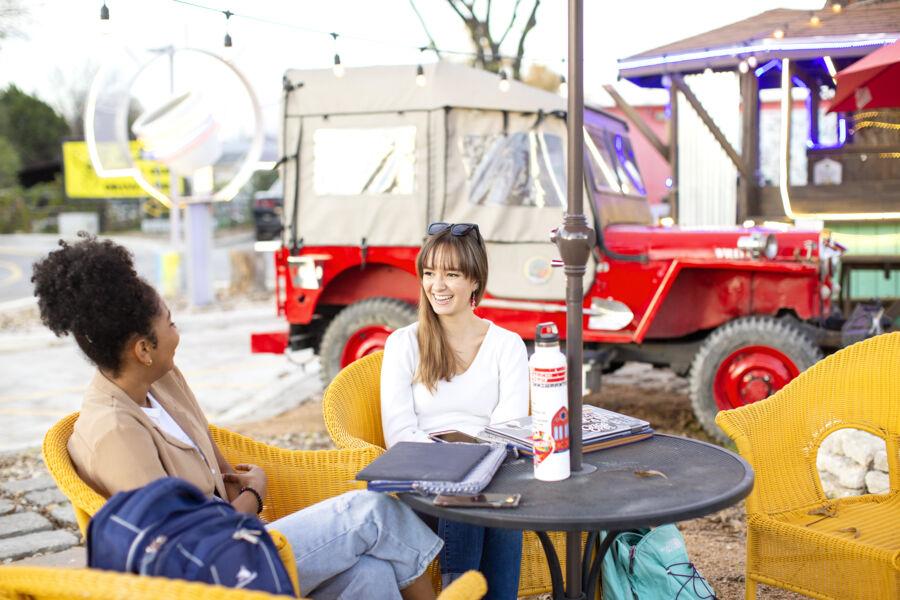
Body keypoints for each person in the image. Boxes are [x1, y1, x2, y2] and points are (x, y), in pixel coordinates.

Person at [32, 234, 441, 600]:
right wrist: (255, 495)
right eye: (170, 323)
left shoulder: (162, 380)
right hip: (215, 576)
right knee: (371, 513)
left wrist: (242, 494)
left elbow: (219, 474)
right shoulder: (115, 434)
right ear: (143, 349)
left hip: (239, 537)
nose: (178, 332)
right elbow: (181, 547)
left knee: (371, 574)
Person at [380, 222, 528, 599]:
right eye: (429, 273)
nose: (437, 285)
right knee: (469, 498)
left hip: (492, 474)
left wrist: (474, 466)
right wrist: (455, 465)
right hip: (422, 484)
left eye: (451, 274)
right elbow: (398, 432)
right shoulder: (404, 343)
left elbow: (508, 428)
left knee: (491, 504)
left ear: (475, 281)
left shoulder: (506, 345)